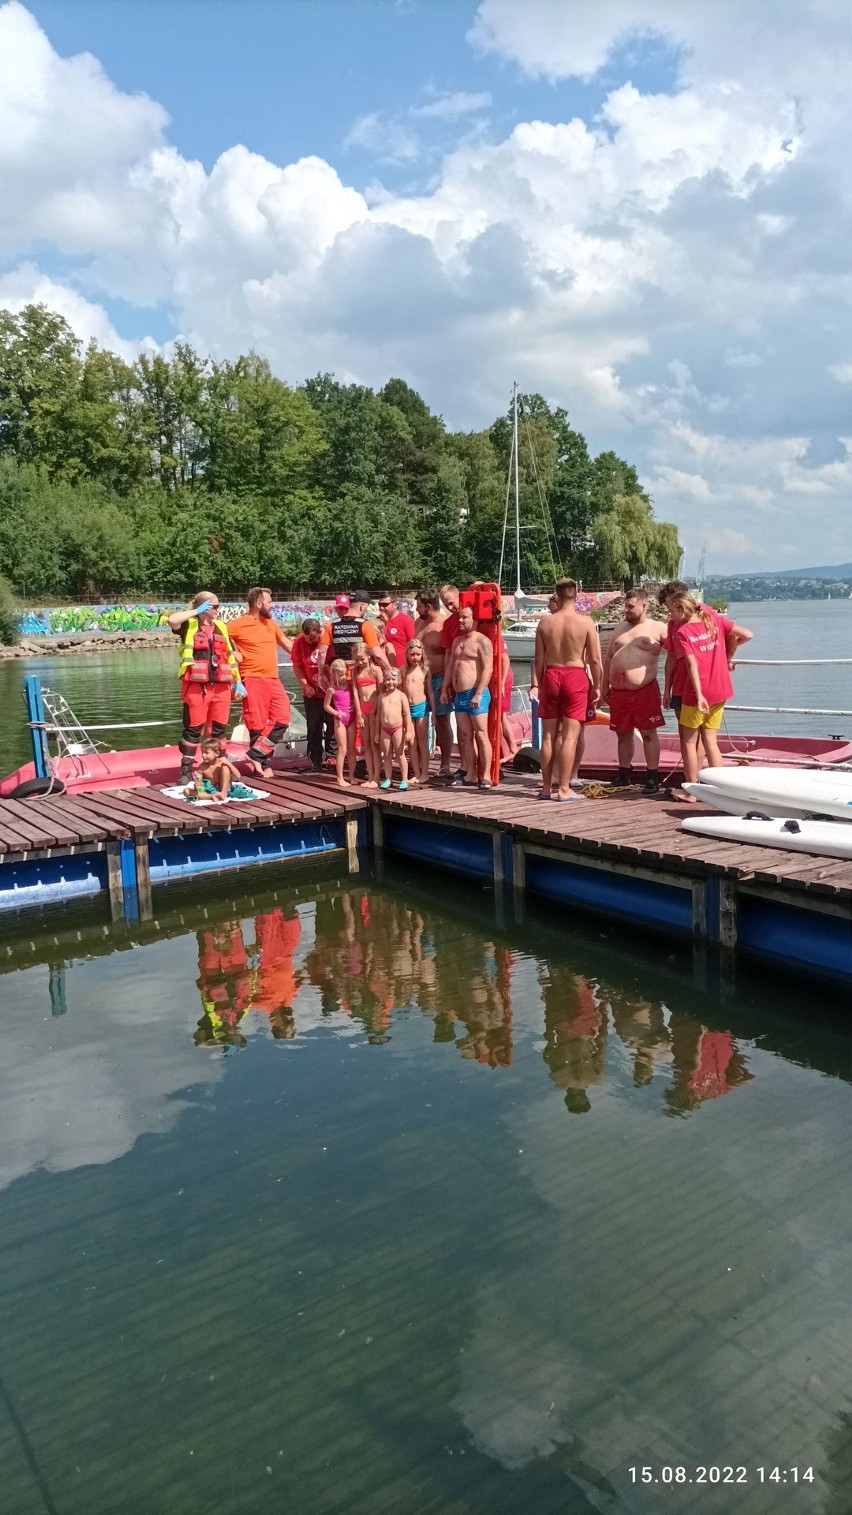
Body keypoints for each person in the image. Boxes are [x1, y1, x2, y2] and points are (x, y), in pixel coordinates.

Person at [666, 593, 753, 797]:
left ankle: (692, 792)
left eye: (671, 610)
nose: (670, 616)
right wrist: (723, 655)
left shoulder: (684, 631)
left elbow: (691, 664)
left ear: (681, 609)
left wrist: (698, 695)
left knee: (688, 741)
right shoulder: (714, 620)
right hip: (720, 688)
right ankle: (723, 790)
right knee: (710, 741)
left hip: (698, 693)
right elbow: (748, 635)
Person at [534, 578, 602, 801]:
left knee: (548, 736)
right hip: (575, 674)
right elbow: (594, 660)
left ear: (557, 594)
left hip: (552, 674)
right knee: (571, 737)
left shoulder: (545, 623)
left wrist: (541, 684)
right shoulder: (585, 623)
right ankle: (564, 788)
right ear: (577, 594)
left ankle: (545, 788)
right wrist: (599, 686)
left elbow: (538, 661)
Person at [167, 591, 245, 785]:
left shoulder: (221, 628)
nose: (219, 610)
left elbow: (233, 654)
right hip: (196, 688)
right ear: (205, 608)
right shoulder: (189, 625)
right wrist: (195, 611)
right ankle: (186, 770)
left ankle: (221, 768)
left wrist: (238, 681)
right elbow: (172, 620)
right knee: (193, 730)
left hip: (221, 688)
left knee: (219, 730)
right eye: (216, 607)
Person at [600, 586, 668, 792]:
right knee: (622, 733)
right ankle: (624, 773)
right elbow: (609, 657)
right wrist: (604, 685)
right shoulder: (619, 628)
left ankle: (652, 776)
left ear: (644, 605)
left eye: (630, 607)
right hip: (619, 692)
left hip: (644, 690)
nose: (626, 610)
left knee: (648, 733)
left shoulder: (658, 628)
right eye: (625, 607)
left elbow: (677, 653)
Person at [227, 587, 293, 778]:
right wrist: (233, 653)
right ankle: (264, 763)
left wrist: (313, 654)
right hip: (252, 678)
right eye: (269, 601)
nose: (272, 605)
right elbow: (219, 639)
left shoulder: (270, 623)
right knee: (256, 722)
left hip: (273, 678)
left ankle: (256, 754)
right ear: (258, 603)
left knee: (282, 717)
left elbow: (288, 644)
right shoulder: (238, 624)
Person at [443, 604, 494, 787]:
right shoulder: (457, 640)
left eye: (465, 617)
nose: (460, 621)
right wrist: (444, 688)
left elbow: (488, 668)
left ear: (475, 619)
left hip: (475, 693)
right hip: (459, 695)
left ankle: (486, 774)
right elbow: (451, 666)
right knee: (465, 736)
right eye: (460, 617)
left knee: (481, 734)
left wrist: (479, 693)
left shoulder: (482, 641)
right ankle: (471, 773)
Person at [416, 588, 454, 778]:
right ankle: (420, 763)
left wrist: (446, 683)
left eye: (419, 606)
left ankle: (445, 763)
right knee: (418, 721)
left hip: (438, 677)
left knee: (441, 720)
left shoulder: (442, 625)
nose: (416, 609)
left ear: (429, 607)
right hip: (418, 680)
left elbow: (450, 656)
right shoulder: (419, 622)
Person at [290, 617, 336, 770]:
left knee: (333, 724)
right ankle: (315, 758)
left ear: (319, 631)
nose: (311, 641)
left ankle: (332, 756)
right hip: (312, 692)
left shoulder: (328, 638)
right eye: (308, 638)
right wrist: (305, 685)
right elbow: (297, 666)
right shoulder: (299, 643)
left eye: (314, 638)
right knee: (314, 726)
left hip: (330, 691)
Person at [318, 591, 388, 676]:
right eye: (366, 607)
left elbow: (322, 652)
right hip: (359, 675)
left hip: (340, 675)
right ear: (362, 607)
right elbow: (377, 654)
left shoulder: (332, 625)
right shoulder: (365, 625)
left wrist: (321, 675)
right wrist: (389, 670)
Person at [403, 637, 435, 784]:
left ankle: (425, 772)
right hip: (407, 709)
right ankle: (416, 772)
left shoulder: (425, 669)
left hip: (421, 706)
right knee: (411, 742)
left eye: (418, 654)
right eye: (412, 655)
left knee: (422, 741)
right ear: (407, 655)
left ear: (422, 654)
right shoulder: (403, 671)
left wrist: (433, 712)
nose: (415, 657)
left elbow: (430, 692)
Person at [351, 638, 381, 787]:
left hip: (374, 708)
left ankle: (377, 777)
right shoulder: (355, 672)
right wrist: (359, 713)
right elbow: (355, 693)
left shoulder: (376, 670)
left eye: (362, 659)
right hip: (363, 709)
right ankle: (370, 776)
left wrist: (376, 710)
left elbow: (381, 693)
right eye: (357, 660)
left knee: (375, 744)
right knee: (366, 744)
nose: (360, 662)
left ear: (369, 656)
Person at [324, 659, 358, 787]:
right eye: (340, 675)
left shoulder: (350, 685)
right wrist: (336, 713)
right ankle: (340, 777)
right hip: (340, 720)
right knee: (342, 749)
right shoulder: (332, 689)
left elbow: (355, 697)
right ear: (334, 674)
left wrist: (355, 705)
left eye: (345, 674)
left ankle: (352, 776)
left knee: (351, 750)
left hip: (352, 718)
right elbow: (326, 706)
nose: (344, 677)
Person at [378, 667, 413, 791]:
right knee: (386, 755)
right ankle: (388, 779)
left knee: (400, 754)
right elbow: (378, 716)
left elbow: (407, 714)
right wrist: (377, 732)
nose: (390, 682)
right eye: (387, 679)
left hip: (397, 728)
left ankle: (404, 779)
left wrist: (408, 731)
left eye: (393, 679)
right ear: (384, 681)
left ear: (399, 680)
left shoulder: (401, 696)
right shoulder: (381, 696)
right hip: (384, 730)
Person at [377, 592, 415, 666]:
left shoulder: (406, 620)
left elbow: (413, 644)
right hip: (384, 668)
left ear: (395, 605)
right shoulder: (377, 622)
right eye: (380, 605)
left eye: (385, 605)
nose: (381, 608)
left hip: (402, 668)